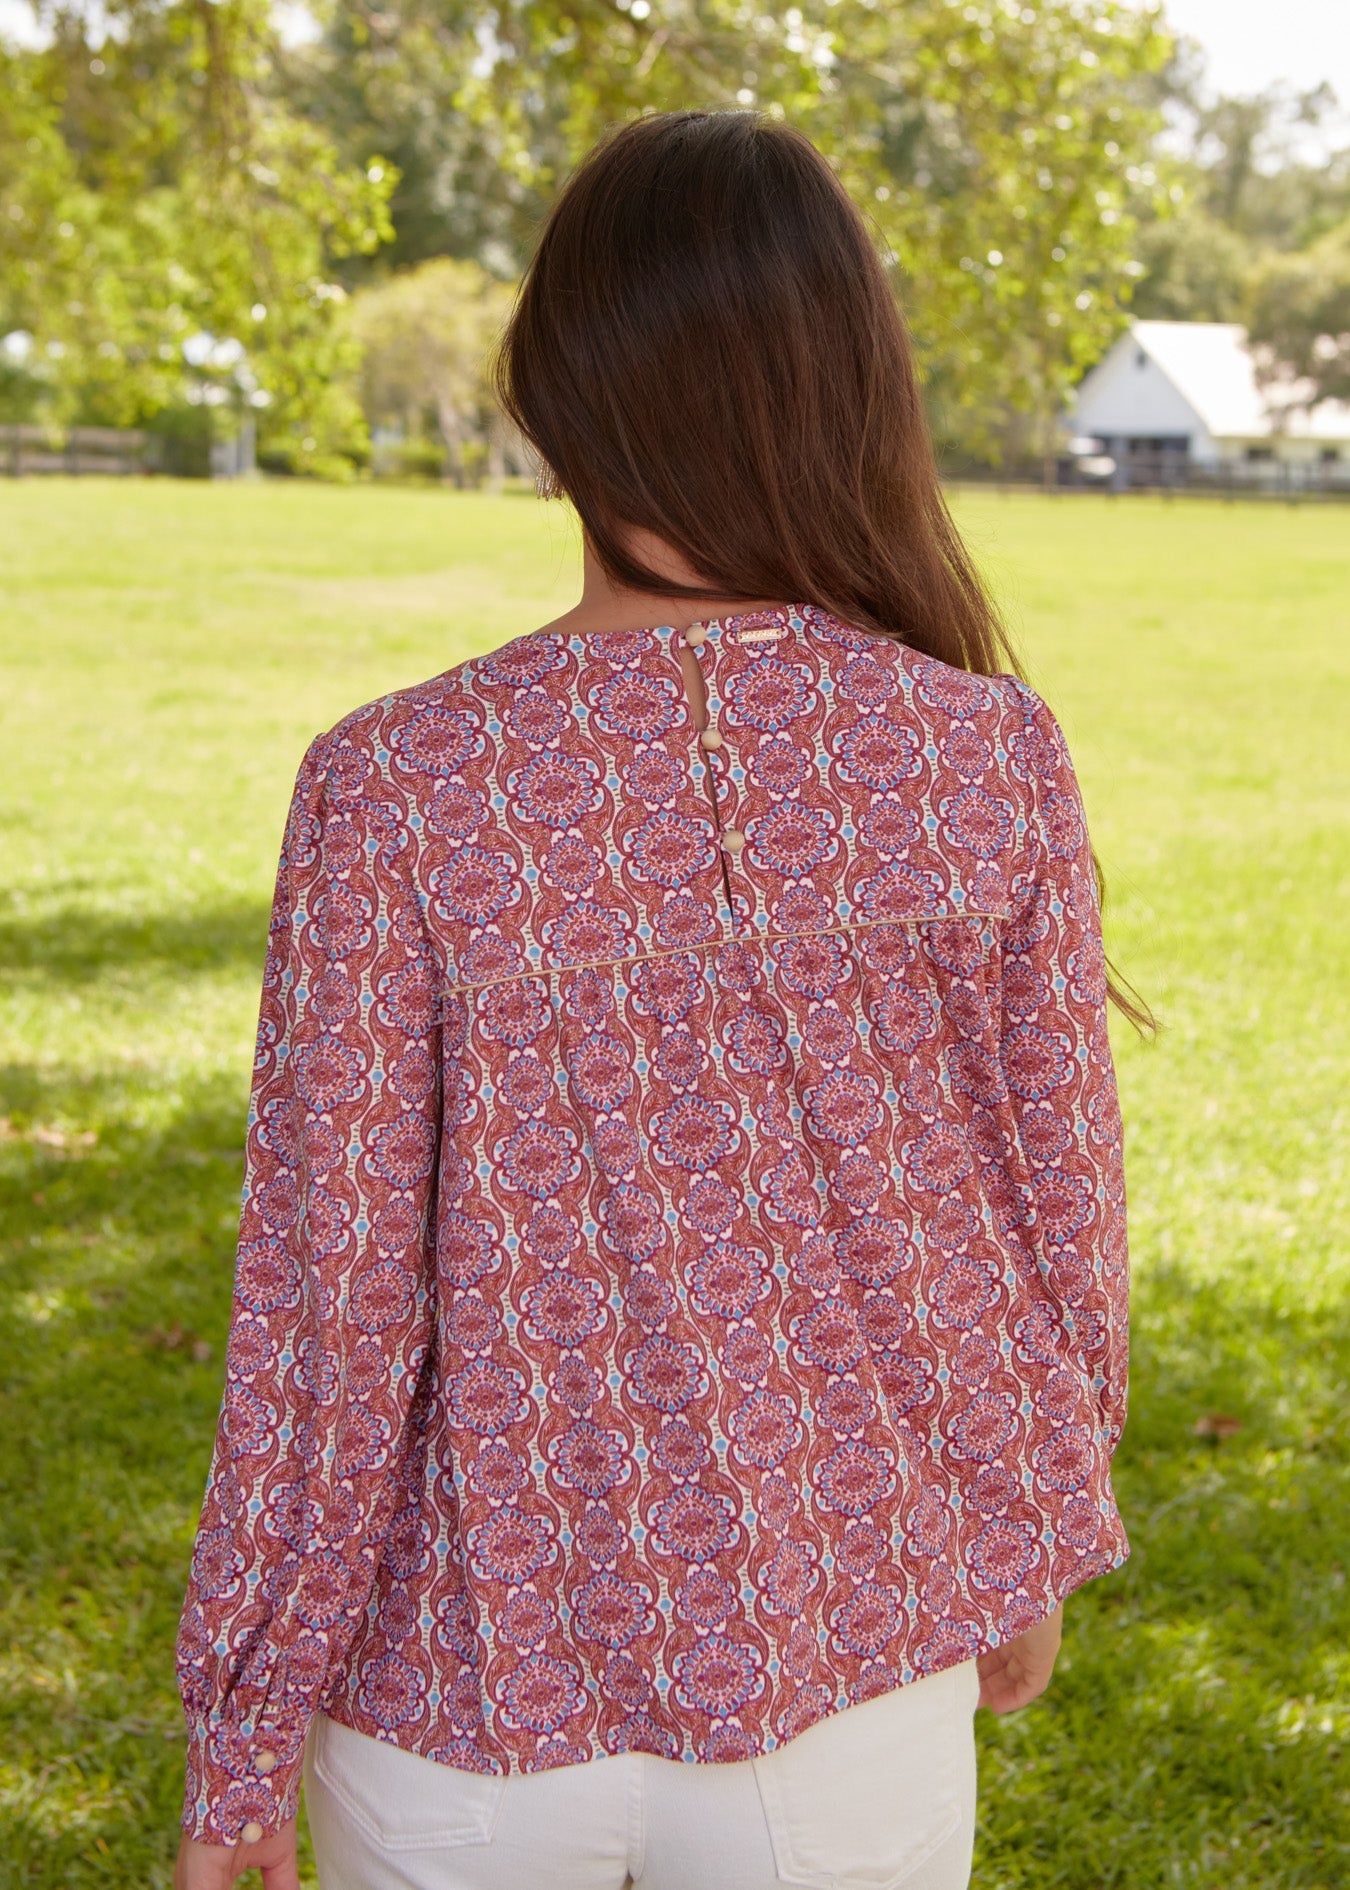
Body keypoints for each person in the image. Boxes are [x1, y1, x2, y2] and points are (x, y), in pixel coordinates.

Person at [173, 109, 1135, 1890]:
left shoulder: (396, 783)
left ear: (548, 396)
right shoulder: (979, 757)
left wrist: (243, 1724)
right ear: (851, 391)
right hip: (847, 1662)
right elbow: (1056, 1219)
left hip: (457, 1698)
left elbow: (328, 1313)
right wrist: (1023, 1527)